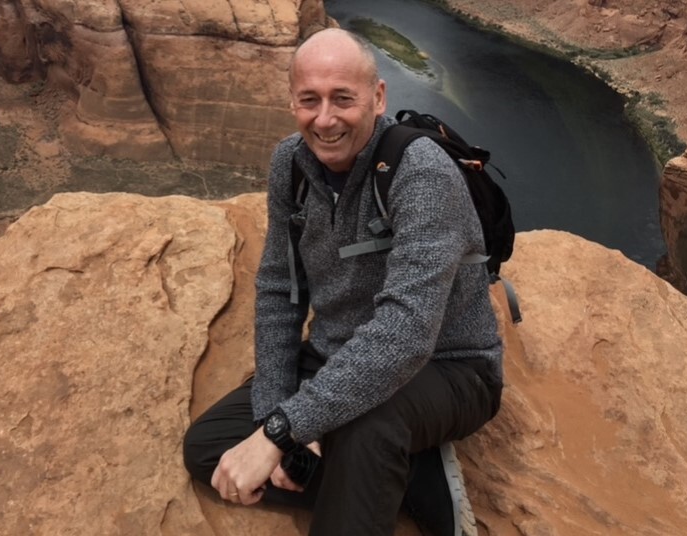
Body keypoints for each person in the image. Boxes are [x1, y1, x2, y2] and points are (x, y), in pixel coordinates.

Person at [183, 28, 503, 536]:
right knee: (210, 448)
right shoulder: (290, 163)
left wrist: (285, 431)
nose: (325, 119)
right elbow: (278, 290)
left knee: (366, 423)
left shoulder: (420, 172)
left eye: (343, 99)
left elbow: (406, 333)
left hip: (448, 367)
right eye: (309, 100)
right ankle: (411, 477)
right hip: (338, 351)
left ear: (378, 98)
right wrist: (276, 417)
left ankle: (375, 468)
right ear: (292, 100)